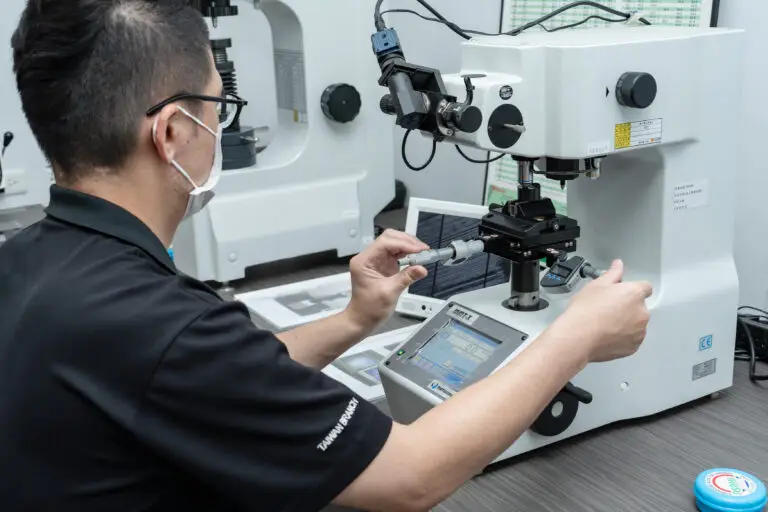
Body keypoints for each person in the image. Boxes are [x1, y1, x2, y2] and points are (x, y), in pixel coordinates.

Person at [0, 1, 652, 511]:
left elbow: (220, 376)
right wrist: (577, 338)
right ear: (174, 131)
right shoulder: (164, 326)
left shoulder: (27, 260)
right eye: (220, 107)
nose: (220, 128)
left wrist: (353, 320)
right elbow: (412, 476)